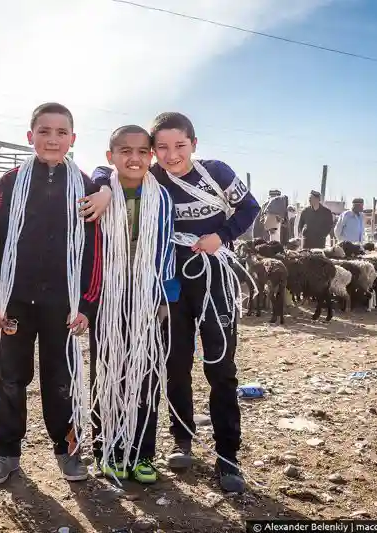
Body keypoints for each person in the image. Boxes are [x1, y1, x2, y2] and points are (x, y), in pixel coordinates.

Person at [86, 112, 260, 493]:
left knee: (220, 366)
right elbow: (107, 168)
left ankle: (228, 456)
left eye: (179, 145)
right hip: (171, 283)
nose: (170, 154)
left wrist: (223, 235)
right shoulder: (154, 177)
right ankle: (182, 440)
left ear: (194, 144)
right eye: (161, 147)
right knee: (173, 364)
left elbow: (250, 209)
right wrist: (102, 187)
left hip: (214, 277)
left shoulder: (216, 173)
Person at [0, 102, 102, 485]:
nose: (52, 139)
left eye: (61, 132)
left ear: (73, 139)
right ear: (30, 137)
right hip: (15, 301)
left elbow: (95, 250)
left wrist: (87, 305)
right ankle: (6, 454)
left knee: (61, 378)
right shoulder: (11, 183)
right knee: (10, 377)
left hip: (62, 304)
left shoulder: (85, 186)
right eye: (44, 132)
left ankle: (68, 452)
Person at [87, 125, 179, 485]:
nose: (134, 158)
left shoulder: (163, 198)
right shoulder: (97, 192)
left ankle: (142, 452)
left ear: (152, 157)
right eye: (125, 151)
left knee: (146, 374)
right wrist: (103, 187)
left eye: (143, 152)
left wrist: (165, 299)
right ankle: (107, 449)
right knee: (108, 371)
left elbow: (166, 249)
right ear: (111, 157)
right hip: (107, 297)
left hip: (146, 297)